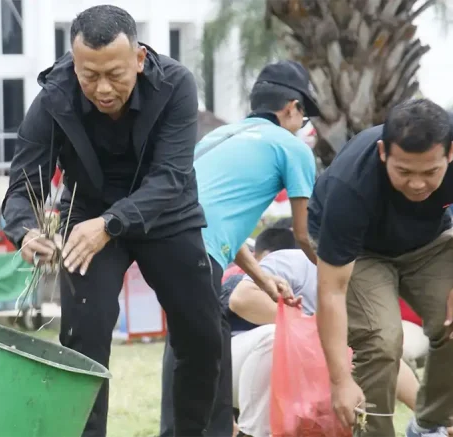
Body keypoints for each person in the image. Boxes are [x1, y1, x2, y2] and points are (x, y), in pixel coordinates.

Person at [1, 5, 221, 436]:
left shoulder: (175, 84)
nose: (102, 89)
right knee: (84, 337)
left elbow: (171, 176)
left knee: (202, 334)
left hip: (166, 212)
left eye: (115, 75)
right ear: (74, 62)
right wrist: (25, 231)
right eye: (89, 75)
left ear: (139, 59)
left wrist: (111, 223)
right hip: (86, 213)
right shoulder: (54, 97)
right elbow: (24, 184)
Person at [309, 98, 453, 436]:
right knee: (380, 340)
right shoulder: (349, 185)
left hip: (426, 241)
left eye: (430, 172)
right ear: (383, 153)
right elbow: (331, 291)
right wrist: (340, 381)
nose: (418, 184)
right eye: (404, 171)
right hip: (359, 251)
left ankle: (429, 426)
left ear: (450, 153)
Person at [159, 60, 320, 437]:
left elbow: (220, 227)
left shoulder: (220, 137)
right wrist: (334, 275)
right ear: (292, 108)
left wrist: (264, 279)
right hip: (198, 248)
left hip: (168, 243)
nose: (303, 127)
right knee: (207, 348)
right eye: (305, 119)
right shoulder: (292, 149)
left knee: (189, 339)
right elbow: (303, 234)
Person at [223, 226, 453, 437]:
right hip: (237, 366)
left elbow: (385, 358)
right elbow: (241, 300)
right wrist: (317, 328)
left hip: (306, 388)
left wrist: (432, 417)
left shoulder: (367, 291)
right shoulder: (296, 261)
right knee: (277, 340)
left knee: (360, 364)